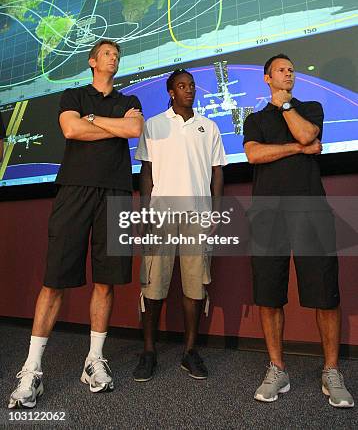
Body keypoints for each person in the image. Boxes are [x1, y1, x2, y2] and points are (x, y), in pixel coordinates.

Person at [8, 39, 143, 409]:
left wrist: (95, 122)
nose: (113, 57)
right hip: (74, 192)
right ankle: (31, 369)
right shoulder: (73, 95)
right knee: (54, 281)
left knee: (107, 281)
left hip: (115, 193)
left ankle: (94, 360)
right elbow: (71, 130)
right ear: (92, 61)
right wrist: (106, 126)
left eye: (117, 54)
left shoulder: (129, 101)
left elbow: (134, 131)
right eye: (107, 53)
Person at [243, 53, 354, 408]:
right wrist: (297, 149)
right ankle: (277, 368)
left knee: (325, 292)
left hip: (310, 211)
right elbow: (254, 155)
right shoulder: (255, 118)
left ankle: (331, 371)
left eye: (291, 70)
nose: (288, 73)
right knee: (269, 293)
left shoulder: (311, 107)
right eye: (281, 70)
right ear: (266, 78)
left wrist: (288, 106)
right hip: (267, 215)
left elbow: (308, 133)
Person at [133, 69, 227, 382]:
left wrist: (215, 211)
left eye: (191, 85)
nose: (189, 90)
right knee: (153, 285)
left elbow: (217, 172)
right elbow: (145, 172)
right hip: (160, 214)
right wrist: (145, 212)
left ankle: (189, 351)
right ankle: (148, 352)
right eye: (182, 86)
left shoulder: (208, 126)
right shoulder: (154, 125)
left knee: (195, 285)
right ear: (171, 91)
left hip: (197, 216)